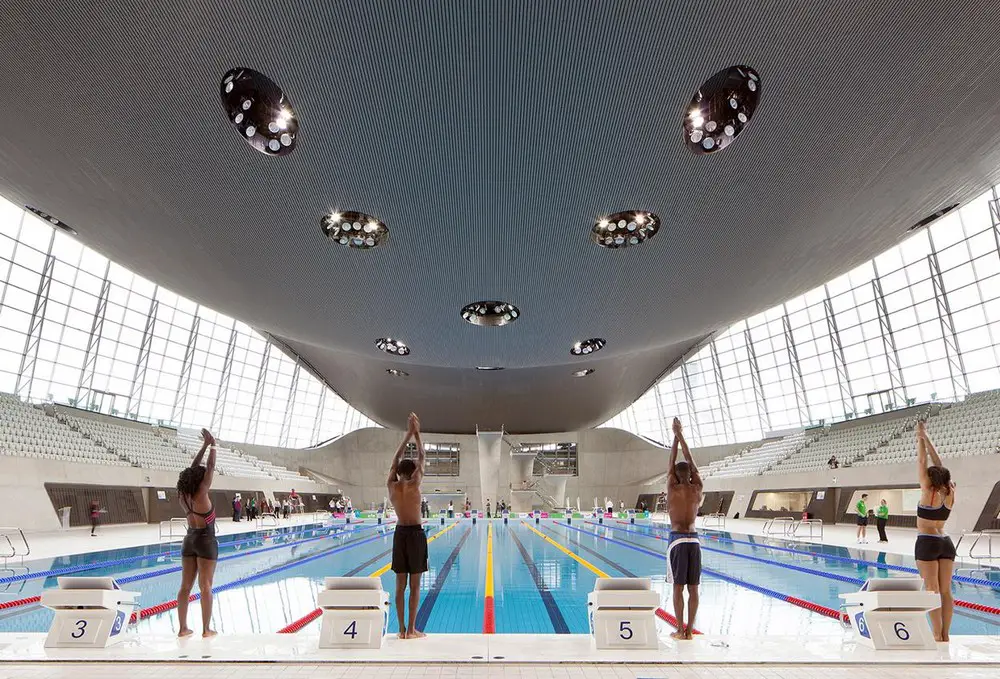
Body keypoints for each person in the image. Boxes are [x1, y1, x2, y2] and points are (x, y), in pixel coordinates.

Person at [387, 413, 428, 640]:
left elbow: (394, 460)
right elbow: (421, 456)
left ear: (397, 471)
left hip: (399, 533)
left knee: (399, 584)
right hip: (415, 535)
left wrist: (406, 436)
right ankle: (412, 630)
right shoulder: (415, 484)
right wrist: (416, 433)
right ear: (412, 471)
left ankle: (401, 630)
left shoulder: (391, 487)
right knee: (415, 585)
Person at [915, 421, 957, 642]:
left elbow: (923, 461)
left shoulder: (927, 490)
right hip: (946, 542)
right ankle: (946, 634)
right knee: (945, 590)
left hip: (927, 541)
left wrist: (919, 439)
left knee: (931, 589)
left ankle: (936, 633)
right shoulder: (949, 490)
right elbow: (938, 465)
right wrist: (926, 435)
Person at [175, 428, 218, 638]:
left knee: (185, 586)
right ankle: (206, 629)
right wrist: (214, 446)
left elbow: (192, 469)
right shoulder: (202, 492)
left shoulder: (183, 494)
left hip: (189, 539)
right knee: (206, 586)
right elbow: (210, 466)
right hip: (206, 540)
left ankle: (183, 629)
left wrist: (203, 445)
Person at [666, 417, 702, 641]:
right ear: (690, 474)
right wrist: (681, 435)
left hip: (677, 540)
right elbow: (690, 461)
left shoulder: (672, 486)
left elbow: (671, 462)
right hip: (694, 540)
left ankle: (679, 630)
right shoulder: (697, 487)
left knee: (678, 588)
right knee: (694, 588)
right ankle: (690, 631)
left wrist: (675, 436)